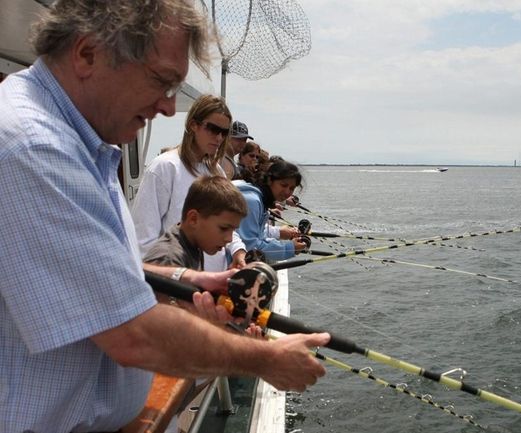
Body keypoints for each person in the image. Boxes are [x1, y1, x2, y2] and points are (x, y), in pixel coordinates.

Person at [0, 2, 328, 432]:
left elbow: (95, 270)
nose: (170, 107)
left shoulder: (85, 145)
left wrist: (187, 280)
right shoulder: (32, 148)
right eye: (160, 80)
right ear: (87, 54)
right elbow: (132, 335)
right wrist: (266, 358)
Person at [131, 94, 248, 271]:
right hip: (180, 284)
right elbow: (144, 238)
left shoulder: (217, 171)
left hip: (214, 283)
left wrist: (238, 250)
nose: (219, 138)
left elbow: (226, 223)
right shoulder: (165, 167)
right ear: (193, 125)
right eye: (213, 129)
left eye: (224, 133)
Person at [144, 176, 248, 271]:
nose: (229, 239)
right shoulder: (168, 259)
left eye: (233, 230)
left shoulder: (193, 244)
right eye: (223, 228)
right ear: (193, 219)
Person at [235, 160, 306, 261]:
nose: (287, 192)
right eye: (283, 185)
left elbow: (259, 236)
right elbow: (249, 245)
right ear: (269, 180)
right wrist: (289, 249)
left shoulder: (260, 198)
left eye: (291, 188)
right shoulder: (252, 201)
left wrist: (285, 242)